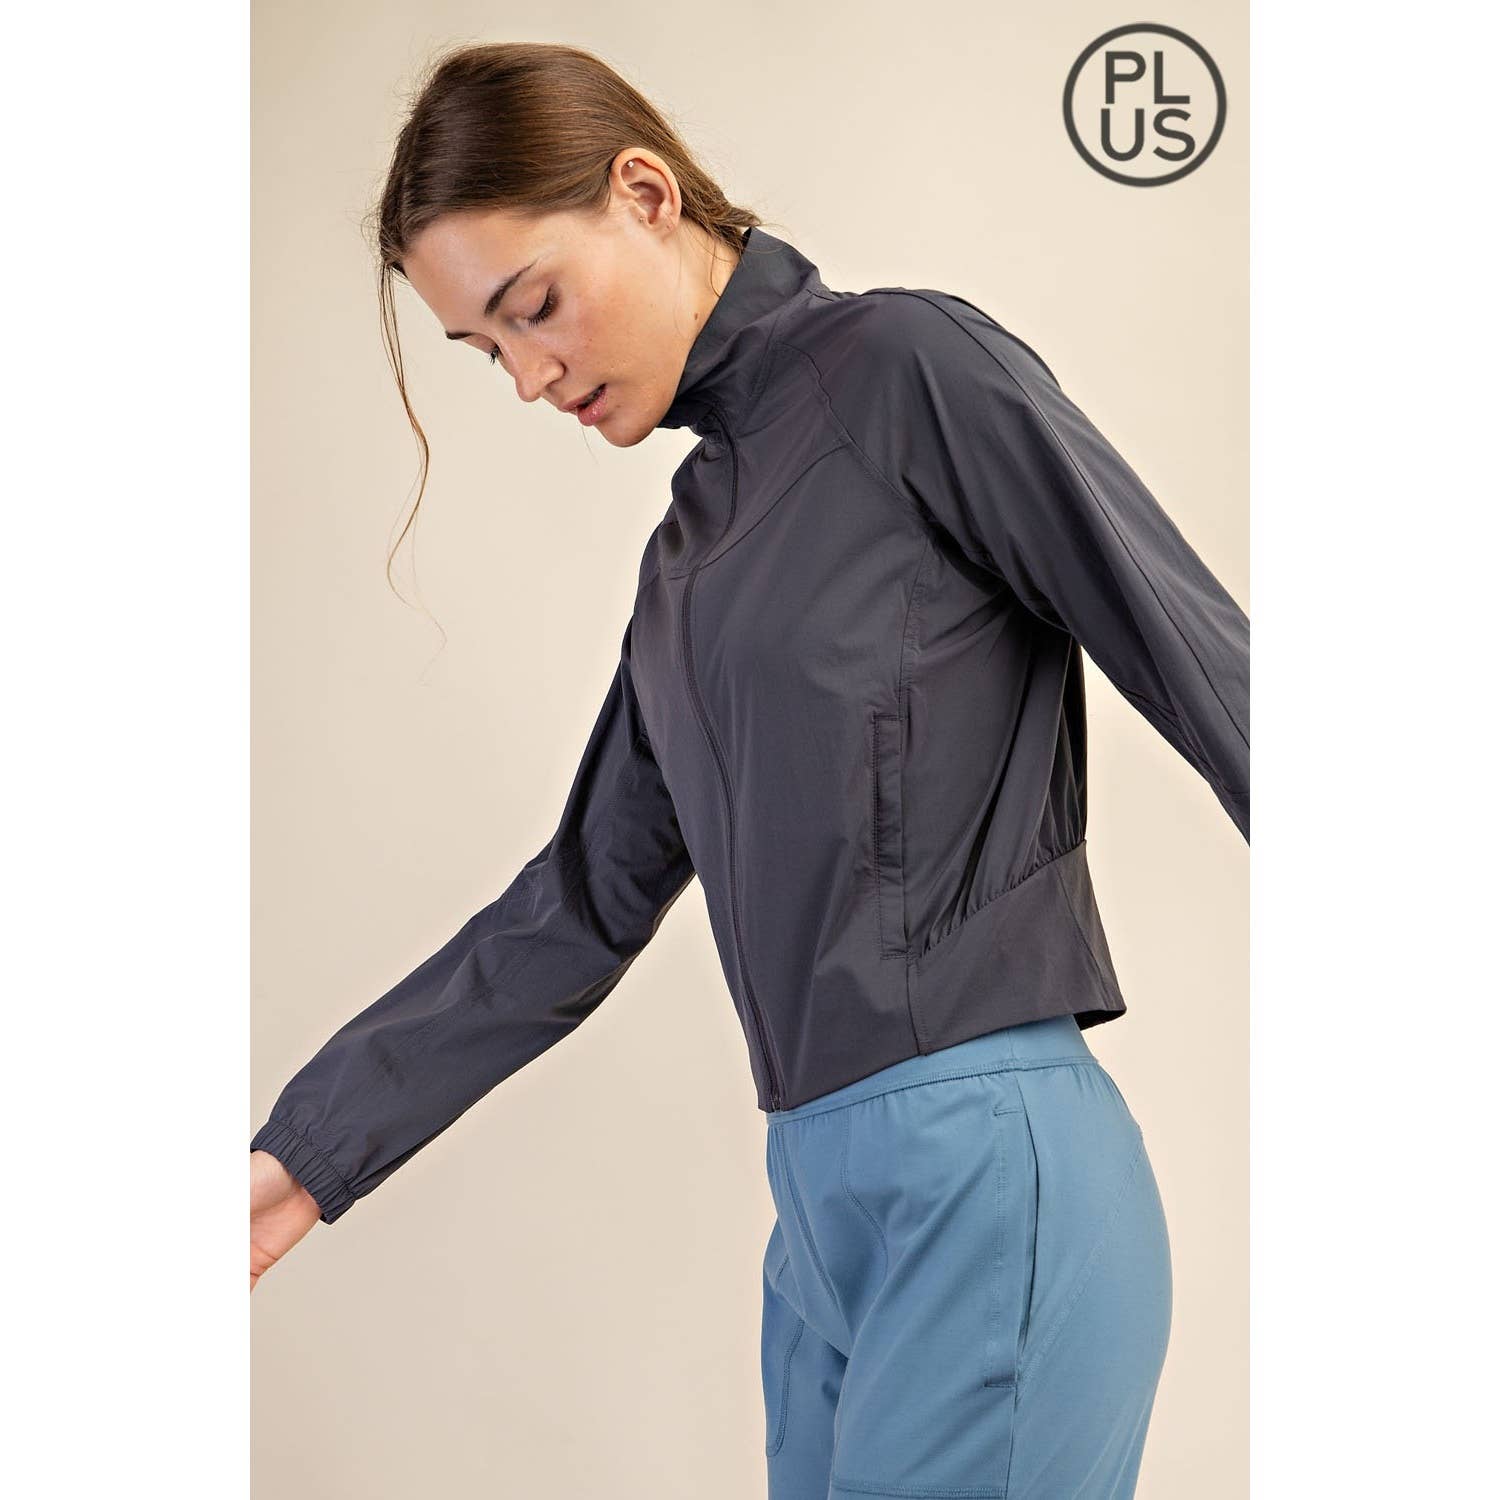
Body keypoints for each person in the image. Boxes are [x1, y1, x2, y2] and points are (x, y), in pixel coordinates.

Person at [250, 40, 1249, 1499]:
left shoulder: (908, 369)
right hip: (820, 1217)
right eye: (484, 350)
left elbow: (1207, 664)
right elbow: (575, 908)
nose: (527, 377)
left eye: (534, 307)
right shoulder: (686, 562)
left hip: (985, 1171)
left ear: (645, 193)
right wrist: (295, 1165)